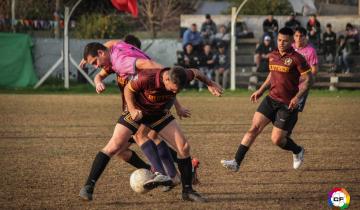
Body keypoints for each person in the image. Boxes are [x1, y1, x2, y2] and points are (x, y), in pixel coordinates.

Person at [79, 38, 193, 201]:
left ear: (101, 53)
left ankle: (166, 175)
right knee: (122, 148)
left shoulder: (122, 61)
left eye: (96, 62)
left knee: (140, 137)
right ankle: (166, 174)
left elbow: (156, 70)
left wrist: (168, 80)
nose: (96, 66)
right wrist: (91, 67)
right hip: (140, 105)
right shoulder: (114, 52)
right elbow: (111, 44)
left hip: (147, 106)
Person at [123, 66, 223, 202]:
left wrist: (210, 84)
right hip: (142, 111)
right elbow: (128, 89)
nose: (175, 92)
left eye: (178, 90)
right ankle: (160, 172)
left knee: (184, 147)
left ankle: (187, 191)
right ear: (166, 79)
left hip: (160, 114)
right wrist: (132, 109)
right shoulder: (148, 77)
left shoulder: (182, 75)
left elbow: (196, 72)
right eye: (173, 89)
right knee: (137, 137)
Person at [221, 27, 313, 172]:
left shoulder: (297, 58)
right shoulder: (273, 55)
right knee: (253, 128)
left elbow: (308, 81)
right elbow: (272, 74)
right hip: (271, 99)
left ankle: (297, 150)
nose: (281, 43)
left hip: (287, 104)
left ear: (291, 42)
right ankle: (236, 162)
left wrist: (297, 98)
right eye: (279, 40)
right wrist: (260, 90)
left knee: (277, 140)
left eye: (285, 41)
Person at [292, 27, 318, 112]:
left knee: (294, 109)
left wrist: (301, 78)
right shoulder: (289, 49)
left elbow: (314, 70)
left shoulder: (310, 51)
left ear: (305, 37)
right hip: (288, 84)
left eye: (301, 36)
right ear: (293, 37)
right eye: (296, 36)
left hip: (302, 86)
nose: (299, 38)